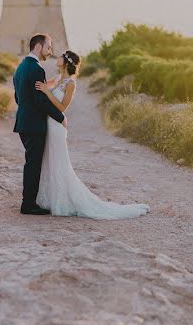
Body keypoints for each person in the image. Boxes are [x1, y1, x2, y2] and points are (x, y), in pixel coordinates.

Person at [34, 50, 150, 219]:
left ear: (66, 62)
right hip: (48, 124)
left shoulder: (71, 83)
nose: (56, 58)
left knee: (59, 162)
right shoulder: (58, 79)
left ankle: (63, 201)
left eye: (60, 56)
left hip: (57, 126)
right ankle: (49, 198)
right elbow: (42, 85)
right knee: (48, 160)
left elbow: (61, 107)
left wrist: (47, 92)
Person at [12, 33, 67, 215]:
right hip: (34, 125)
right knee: (33, 164)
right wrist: (60, 117)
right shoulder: (36, 69)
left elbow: (18, 97)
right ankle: (28, 205)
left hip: (24, 122)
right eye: (48, 47)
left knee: (32, 163)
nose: (50, 51)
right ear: (38, 47)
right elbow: (40, 101)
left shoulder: (20, 67)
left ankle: (29, 202)